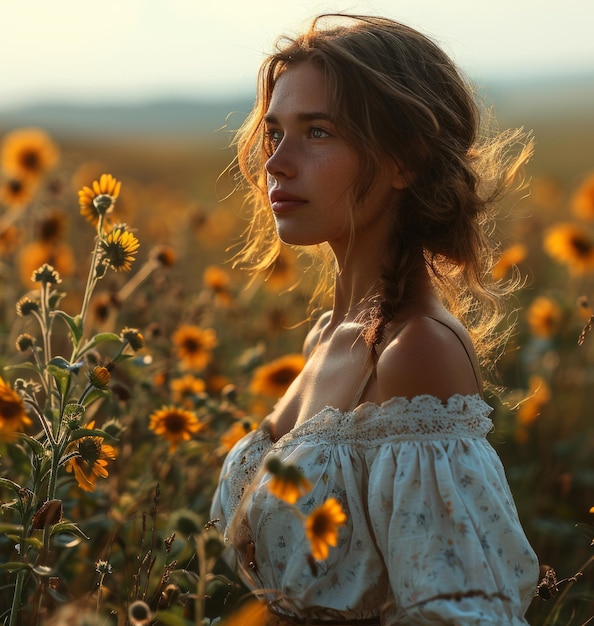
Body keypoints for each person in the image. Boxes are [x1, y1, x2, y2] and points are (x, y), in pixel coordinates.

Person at [211, 13, 539, 625]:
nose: (277, 164)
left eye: (318, 132)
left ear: (404, 161)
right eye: (274, 133)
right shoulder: (323, 336)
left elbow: (461, 612)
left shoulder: (418, 352)